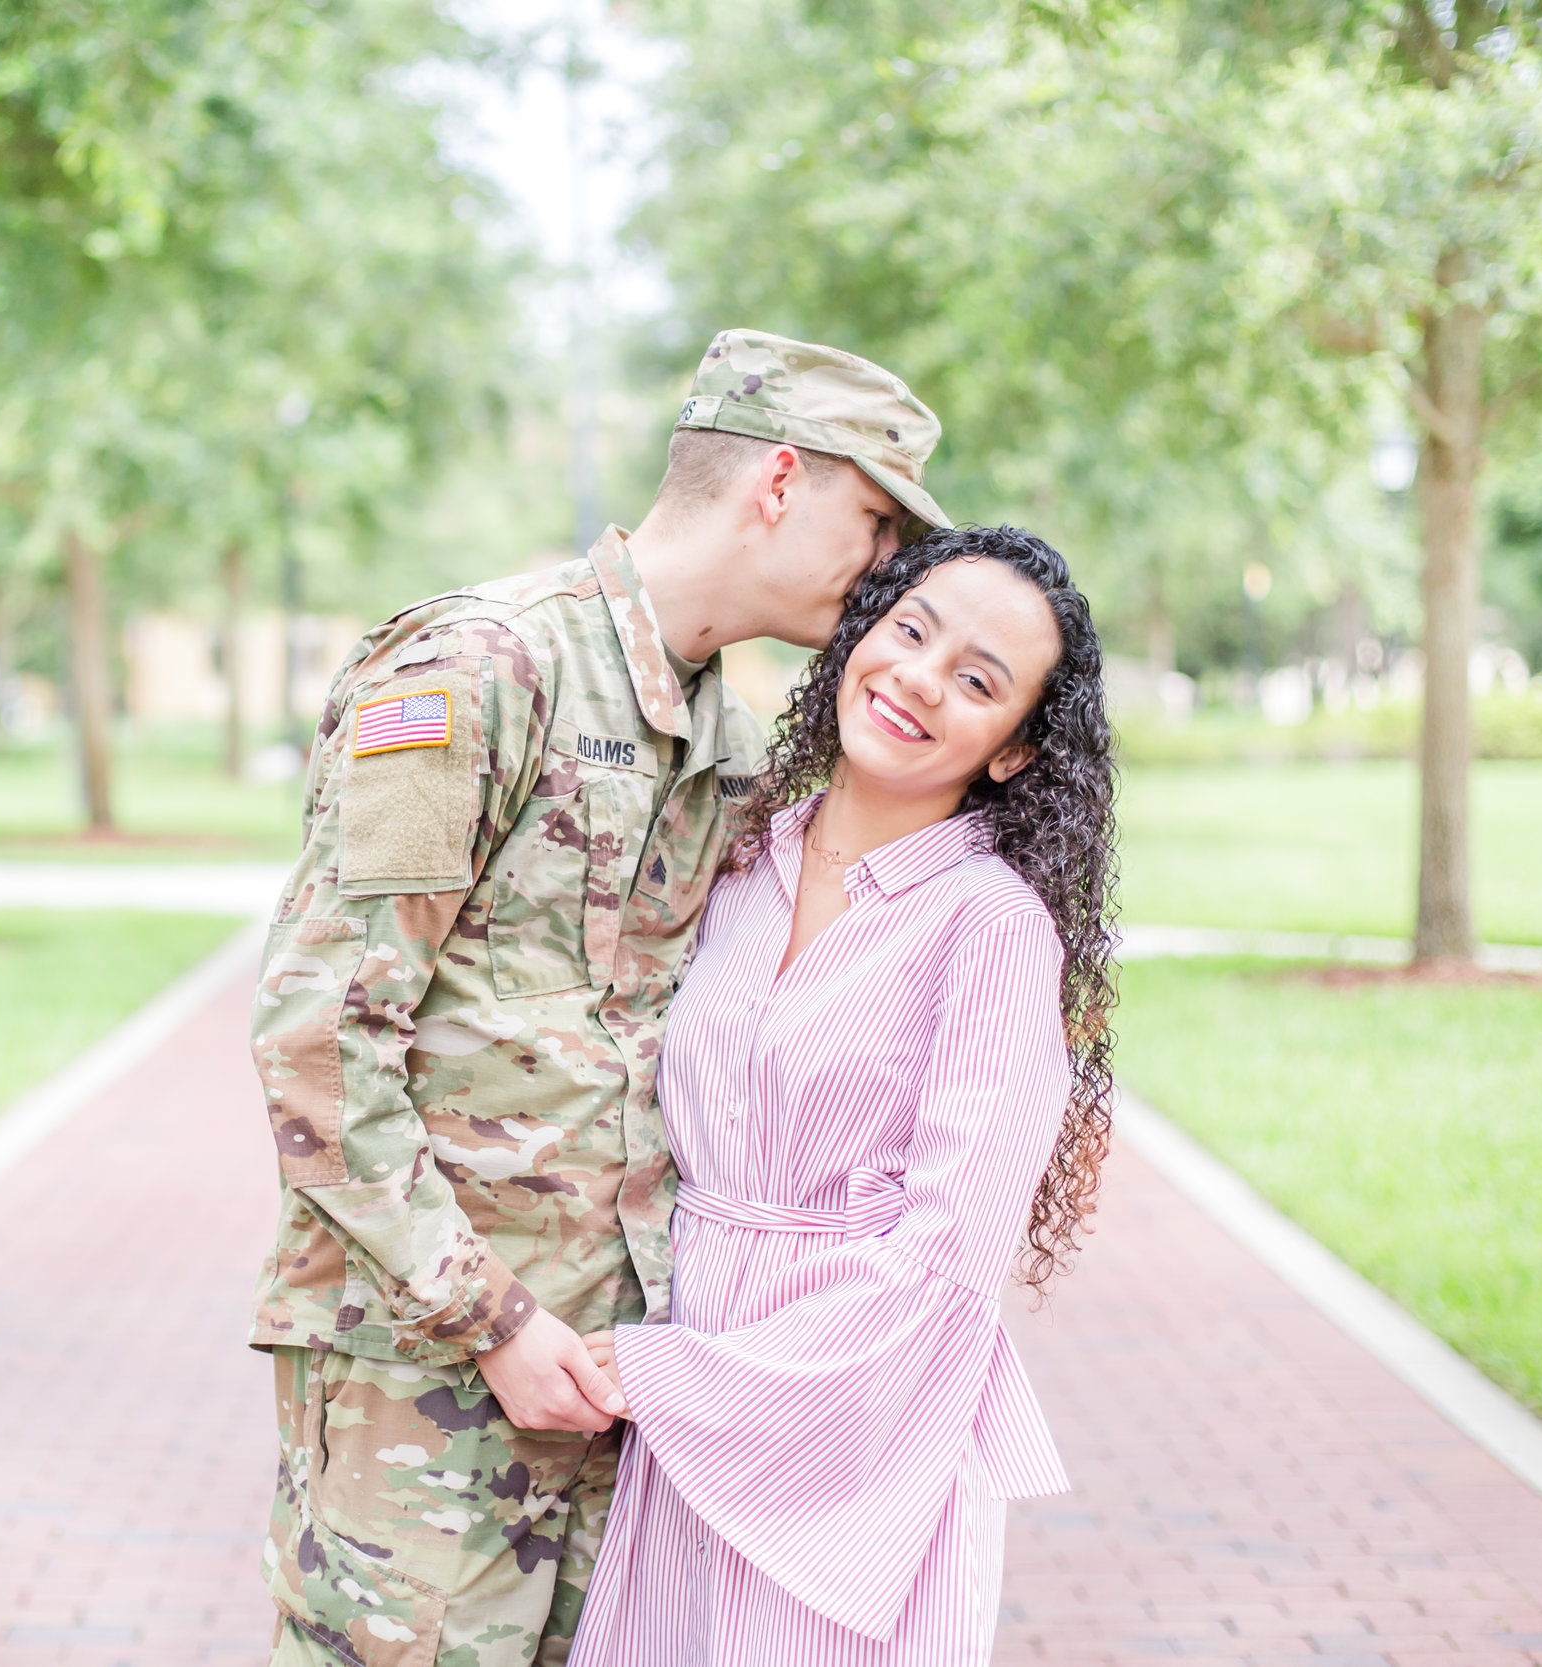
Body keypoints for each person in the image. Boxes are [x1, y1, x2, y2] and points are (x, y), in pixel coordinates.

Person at [251, 328, 960, 1667]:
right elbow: (317, 1038)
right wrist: (494, 1319)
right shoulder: (473, 671)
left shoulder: (731, 749)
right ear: (779, 481)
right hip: (427, 1373)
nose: (885, 572)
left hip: (618, 1386)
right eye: (874, 522)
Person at [566, 525, 1118, 1666]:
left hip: (857, 1424)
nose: (918, 677)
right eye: (909, 630)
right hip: (680, 1405)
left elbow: (942, 1269)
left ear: (1013, 749)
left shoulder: (993, 928)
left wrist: (677, 1376)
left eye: (977, 679)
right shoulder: (733, 863)